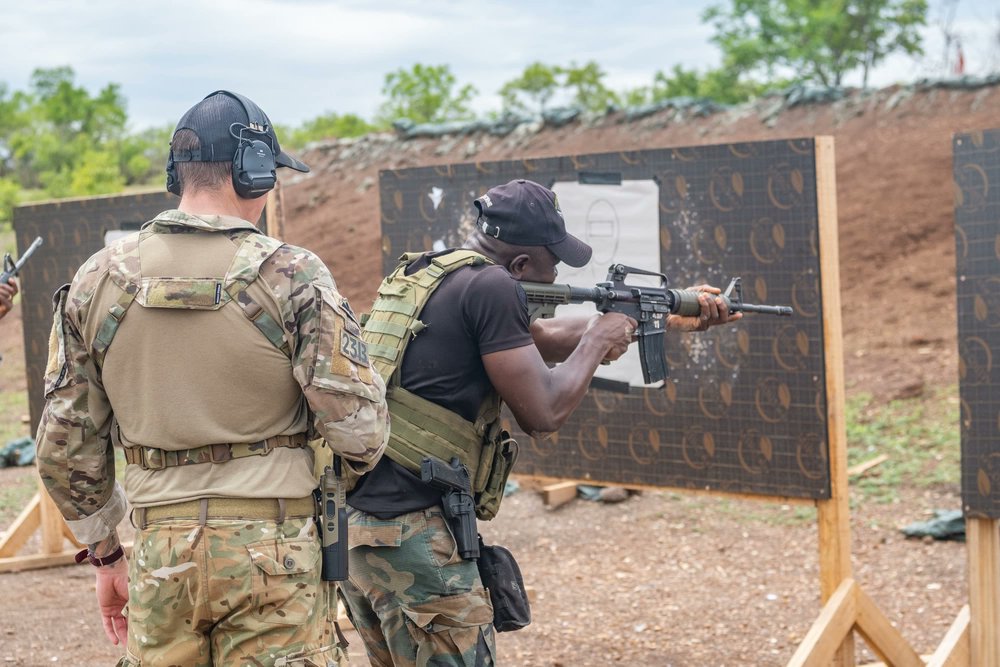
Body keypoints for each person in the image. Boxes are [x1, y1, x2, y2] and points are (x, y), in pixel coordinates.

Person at [35, 90, 389, 667]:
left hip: (158, 554)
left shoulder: (96, 279)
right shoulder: (291, 273)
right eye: (269, 174)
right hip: (276, 553)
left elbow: (62, 451)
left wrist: (106, 556)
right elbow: (361, 430)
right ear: (251, 173)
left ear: (178, 174)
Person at [340, 178, 739, 666]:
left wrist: (663, 318)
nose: (558, 272)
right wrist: (595, 343)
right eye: (554, 260)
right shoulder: (494, 287)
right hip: (413, 538)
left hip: (361, 529)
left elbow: (539, 338)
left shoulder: (437, 272)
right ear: (522, 265)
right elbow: (544, 414)